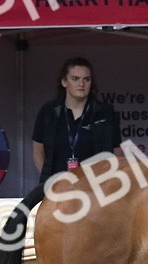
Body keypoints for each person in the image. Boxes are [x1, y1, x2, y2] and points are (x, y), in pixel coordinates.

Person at [32, 56, 122, 186]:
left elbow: (116, 151)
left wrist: (107, 183)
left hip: (94, 190)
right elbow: (37, 151)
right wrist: (48, 181)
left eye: (87, 79)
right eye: (75, 79)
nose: (81, 84)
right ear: (64, 82)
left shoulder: (105, 113)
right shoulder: (49, 111)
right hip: (56, 188)